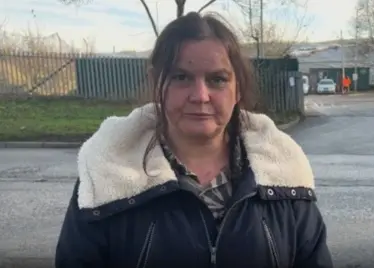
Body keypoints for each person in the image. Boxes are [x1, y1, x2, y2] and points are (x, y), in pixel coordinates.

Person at [55, 12, 333, 268]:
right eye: (181, 77)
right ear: (156, 84)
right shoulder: (106, 177)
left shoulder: (284, 179)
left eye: (217, 80)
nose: (200, 95)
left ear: (238, 89)